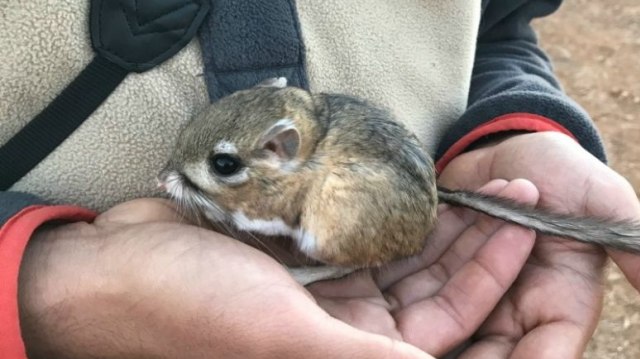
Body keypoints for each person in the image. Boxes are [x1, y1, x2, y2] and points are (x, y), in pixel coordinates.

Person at [1, 0, 638, 358]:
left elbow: (495, 31)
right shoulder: (276, 148)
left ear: (282, 150)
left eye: (221, 169)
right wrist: (41, 287)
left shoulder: (289, 177)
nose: (179, 182)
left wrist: (509, 127)